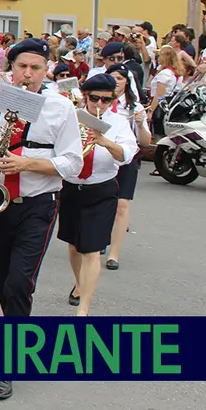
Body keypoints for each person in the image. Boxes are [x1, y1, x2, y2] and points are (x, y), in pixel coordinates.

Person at [0, 38, 82, 401]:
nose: (28, 75)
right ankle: (17, 329)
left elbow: (73, 165)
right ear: (10, 67)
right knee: (1, 277)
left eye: (36, 69)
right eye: (22, 67)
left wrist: (27, 163)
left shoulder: (60, 109)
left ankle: (8, 361)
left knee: (18, 281)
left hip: (38, 203)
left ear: (46, 71)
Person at [59, 74, 136, 316]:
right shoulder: (70, 117)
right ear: (85, 97)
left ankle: (84, 309)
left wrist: (104, 141)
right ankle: (80, 283)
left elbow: (127, 154)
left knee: (91, 250)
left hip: (101, 189)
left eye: (106, 100)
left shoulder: (119, 123)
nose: (100, 105)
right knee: (74, 247)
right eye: (95, 99)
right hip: (71, 188)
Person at [103, 63, 151, 271]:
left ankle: (114, 253)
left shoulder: (135, 107)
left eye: (120, 78)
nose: (116, 82)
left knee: (122, 205)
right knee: (103, 202)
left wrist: (140, 124)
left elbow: (146, 141)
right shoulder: (98, 103)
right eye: (112, 78)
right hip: (102, 158)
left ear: (127, 82)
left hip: (126, 158)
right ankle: (100, 238)